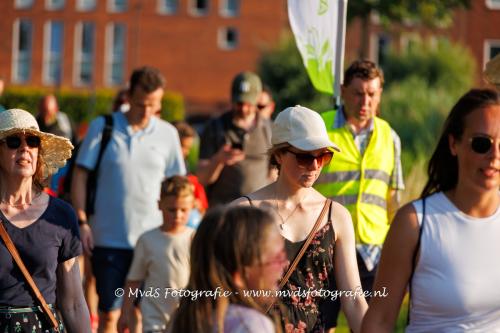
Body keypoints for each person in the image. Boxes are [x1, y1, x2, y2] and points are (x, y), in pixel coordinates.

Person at [362, 89, 500, 332]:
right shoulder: (415, 223)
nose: (494, 156)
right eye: (482, 144)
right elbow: (379, 321)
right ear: (454, 144)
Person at [233, 106, 368, 333]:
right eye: (305, 157)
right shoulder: (243, 212)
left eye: (324, 156)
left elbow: (354, 300)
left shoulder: (336, 216)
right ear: (278, 155)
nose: (315, 166)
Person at [72, 66, 186, 333]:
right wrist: (82, 221)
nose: (146, 112)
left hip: (153, 241)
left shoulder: (168, 134)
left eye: (154, 105)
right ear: (128, 97)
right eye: (140, 104)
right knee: (109, 315)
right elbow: (80, 176)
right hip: (109, 240)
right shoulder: (104, 126)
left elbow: (178, 187)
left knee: (144, 315)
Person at [314, 60, 404, 329]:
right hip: (325, 246)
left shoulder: (390, 137)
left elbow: (393, 199)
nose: (365, 101)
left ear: (379, 94)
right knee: (320, 324)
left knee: (368, 326)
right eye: (358, 93)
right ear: (342, 91)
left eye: (372, 94)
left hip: (373, 252)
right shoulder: (321, 130)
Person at [0, 108, 90, 332]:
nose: (24, 148)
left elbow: (74, 304)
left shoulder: (61, 215)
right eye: (13, 141)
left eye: (32, 141)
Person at [171, 205, 286, 333]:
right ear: (240, 275)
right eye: (277, 258)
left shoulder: (185, 318)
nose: (284, 264)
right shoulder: (250, 325)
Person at [118, 176, 195, 333]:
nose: (178, 215)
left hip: (185, 318)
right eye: (172, 210)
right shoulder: (147, 240)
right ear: (160, 205)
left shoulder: (196, 239)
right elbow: (134, 280)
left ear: (192, 207)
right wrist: (124, 313)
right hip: (154, 319)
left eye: (184, 210)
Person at [197, 71, 272, 206]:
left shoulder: (269, 129)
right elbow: (202, 178)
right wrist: (218, 160)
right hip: (223, 211)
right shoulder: (215, 127)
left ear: (257, 100)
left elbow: (275, 174)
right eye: (239, 103)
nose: (243, 109)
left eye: (248, 104)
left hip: (258, 212)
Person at [172, 121, 208, 229]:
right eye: (182, 146)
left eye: (188, 148)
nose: (186, 152)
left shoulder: (189, 175)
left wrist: (196, 205)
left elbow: (202, 209)